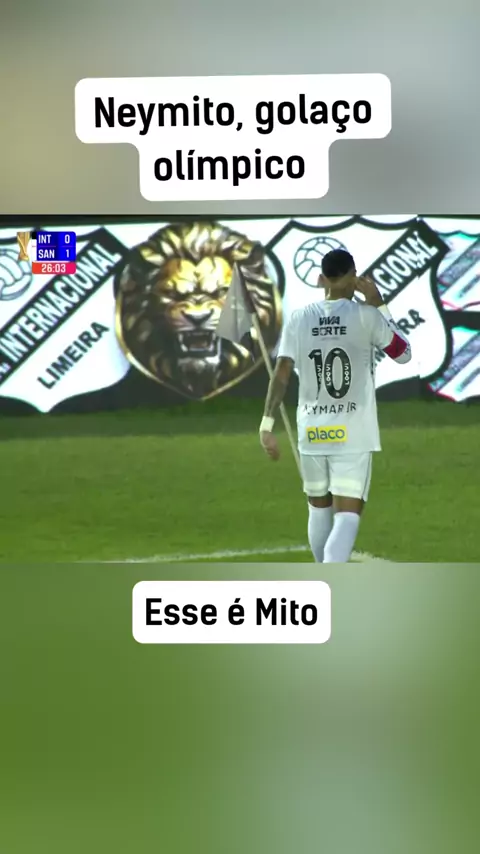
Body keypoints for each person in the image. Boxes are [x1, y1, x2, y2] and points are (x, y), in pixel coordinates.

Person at [259, 248, 412, 563]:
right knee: (347, 515)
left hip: (313, 431)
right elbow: (403, 353)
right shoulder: (366, 316)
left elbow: (282, 373)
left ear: (321, 279)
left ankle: (322, 575)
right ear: (353, 277)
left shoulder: (299, 318)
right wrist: (379, 303)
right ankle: (331, 576)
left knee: (318, 508)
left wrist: (267, 423)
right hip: (352, 433)